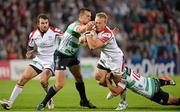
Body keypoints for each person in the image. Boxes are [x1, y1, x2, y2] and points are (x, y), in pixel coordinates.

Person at [36, 8, 96, 111]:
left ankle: (84, 101)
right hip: (61, 56)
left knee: (79, 77)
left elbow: (85, 40)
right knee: (59, 84)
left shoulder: (86, 28)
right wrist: (88, 27)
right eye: (87, 16)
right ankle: (43, 103)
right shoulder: (75, 25)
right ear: (81, 16)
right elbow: (80, 30)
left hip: (72, 55)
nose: (90, 18)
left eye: (90, 16)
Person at [0, 14, 63, 110]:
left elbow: (67, 36)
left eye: (46, 23)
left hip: (51, 60)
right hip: (39, 60)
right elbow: (30, 46)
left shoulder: (55, 31)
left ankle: (49, 98)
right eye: (42, 23)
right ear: (38, 24)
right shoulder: (33, 34)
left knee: (42, 80)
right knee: (22, 79)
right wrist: (29, 52)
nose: (45, 25)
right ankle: (9, 103)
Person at [81, 12, 128, 110]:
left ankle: (123, 102)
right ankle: (112, 87)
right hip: (105, 57)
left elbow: (92, 46)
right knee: (99, 79)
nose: (96, 24)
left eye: (99, 23)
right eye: (96, 22)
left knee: (118, 82)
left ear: (104, 24)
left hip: (115, 59)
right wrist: (84, 36)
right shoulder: (95, 28)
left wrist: (87, 33)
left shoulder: (107, 34)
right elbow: (85, 41)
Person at [105, 67, 180, 110]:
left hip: (152, 91)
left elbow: (116, 92)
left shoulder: (123, 79)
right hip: (151, 81)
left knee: (175, 101)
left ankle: (167, 82)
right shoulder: (124, 68)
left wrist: (107, 80)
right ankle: (168, 81)